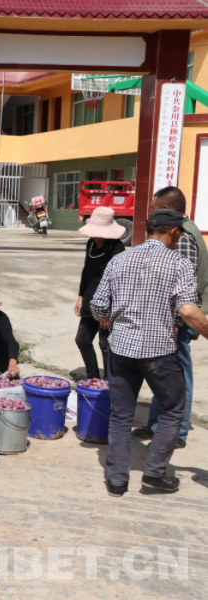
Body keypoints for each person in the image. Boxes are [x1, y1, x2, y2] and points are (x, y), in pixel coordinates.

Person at [90, 209, 208, 497]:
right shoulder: (178, 263)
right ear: (174, 232)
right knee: (174, 407)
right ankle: (154, 474)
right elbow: (188, 310)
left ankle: (117, 482)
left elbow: (98, 305)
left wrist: (113, 318)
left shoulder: (120, 259)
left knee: (121, 415)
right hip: (158, 352)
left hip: (121, 349)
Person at [133, 186, 208, 450]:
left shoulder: (182, 235)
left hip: (181, 320)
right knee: (165, 374)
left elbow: (183, 289)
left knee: (178, 375)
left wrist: (176, 323)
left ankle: (176, 432)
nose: (152, 214)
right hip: (176, 319)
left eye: (154, 209)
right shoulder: (185, 229)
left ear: (167, 210)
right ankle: (157, 426)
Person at [75, 207, 125, 380]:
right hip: (90, 298)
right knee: (82, 340)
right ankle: (93, 377)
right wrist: (80, 298)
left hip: (108, 303)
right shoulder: (90, 244)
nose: (96, 236)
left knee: (105, 345)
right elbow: (86, 271)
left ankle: (109, 382)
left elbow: (117, 282)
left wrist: (107, 312)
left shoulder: (117, 248)